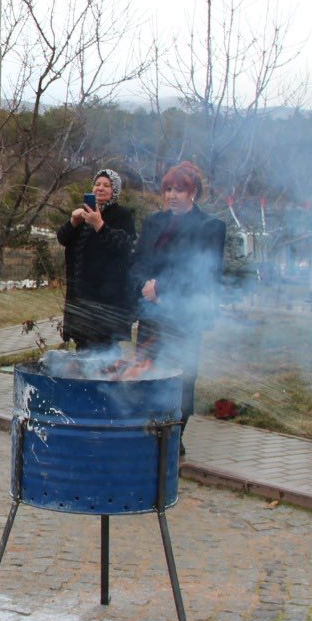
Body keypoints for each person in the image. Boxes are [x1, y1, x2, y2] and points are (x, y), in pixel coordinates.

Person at [130, 161, 226, 443]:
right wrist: (145, 286)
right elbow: (137, 261)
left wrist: (163, 287)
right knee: (147, 371)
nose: (172, 195)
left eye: (179, 190)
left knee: (181, 375)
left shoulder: (210, 226)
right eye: (168, 189)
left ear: (193, 192)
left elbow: (205, 272)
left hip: (185, 315)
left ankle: (175, 436)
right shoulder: (154, 222)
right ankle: (147, 433)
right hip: (151, 313)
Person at [57, 169, 137, 354]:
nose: (100, 188)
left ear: (114, 190)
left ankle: (105, 382)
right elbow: (62, 239)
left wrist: (99, 225)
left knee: (104, 350)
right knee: (83, 349)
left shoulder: (121, 215)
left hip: (106, 299)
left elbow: (125, 246)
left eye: (107, 185)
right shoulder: (84, 213)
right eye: (97, 184)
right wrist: (73, 222)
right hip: (80, 296)